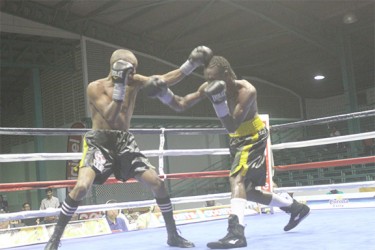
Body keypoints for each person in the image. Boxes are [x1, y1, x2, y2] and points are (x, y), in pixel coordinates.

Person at [44, 46, 213, 250]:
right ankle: (55, 238)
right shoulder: (94, 87)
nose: (134, 73)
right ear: (116, 67)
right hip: (100, 142)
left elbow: (165, 79)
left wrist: (191, 63)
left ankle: (173, 235)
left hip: (125, 142)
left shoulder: (133, 81)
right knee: (81, 187)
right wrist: (120, 86)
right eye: (130, 68)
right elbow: (111, 115)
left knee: (157, 183)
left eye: (135, 69)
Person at [146, 55, 310, 249]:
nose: (210, 83)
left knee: (236, 179)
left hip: (253, 138)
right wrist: (163, 93)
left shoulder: (247, 90)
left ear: (228, 74)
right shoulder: (210, 86)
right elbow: (181, 103)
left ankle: (236, 233)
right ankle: (295, 208)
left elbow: (232, 125)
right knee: (247, 192)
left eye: (215, 79)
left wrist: (218, 103)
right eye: (208, 79)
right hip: (236, 140)